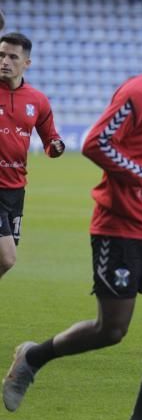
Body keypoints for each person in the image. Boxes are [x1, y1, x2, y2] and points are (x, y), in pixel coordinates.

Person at [2, 18, 142, 420]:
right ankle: (34, 356)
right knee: (111, 330)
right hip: (118, 225)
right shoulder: (139, 92)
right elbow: (97, 143)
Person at [0, 32, 64, 280]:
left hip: (15, 189)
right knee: (7, 256)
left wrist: (56, 147)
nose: (5, 61)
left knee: (5, 262)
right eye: (1, 55)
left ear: (26, 63)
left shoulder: (37, 101)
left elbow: (51, 141)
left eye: (13, 57)